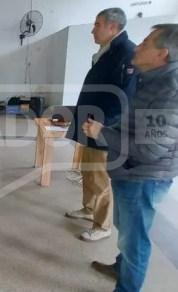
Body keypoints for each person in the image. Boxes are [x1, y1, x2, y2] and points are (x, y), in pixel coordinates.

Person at [83, 23, 178, 292]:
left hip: (144, 175)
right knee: (126, 230)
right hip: (130, 169)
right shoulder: (152, 79)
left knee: (135, 239)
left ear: (163, 53)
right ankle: (120, 267)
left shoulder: (169, 90)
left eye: (146, 43)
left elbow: (150, 149)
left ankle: (127, 287)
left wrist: (103, 133)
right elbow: (137, 127)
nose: (138, 46)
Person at [65, 8, 138, 242]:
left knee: (99, 175)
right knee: (87, 170)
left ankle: (102, 224)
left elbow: (124, 96)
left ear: (113, 27)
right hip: (90, 120)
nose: (92, 30)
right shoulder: (108, 50)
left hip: (103, 125)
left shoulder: (126, 53)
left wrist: (103, 124)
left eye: (97, 25)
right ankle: (88, 208)